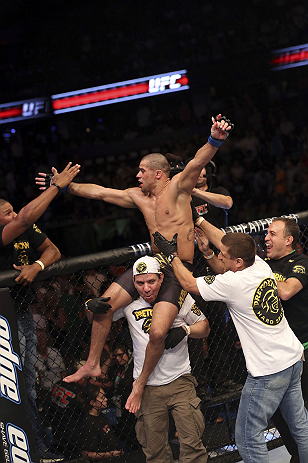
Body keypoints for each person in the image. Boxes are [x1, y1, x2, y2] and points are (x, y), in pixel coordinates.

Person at [44, 114, 234, 413]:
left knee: (158, 332)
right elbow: (102, 192)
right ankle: (92, 363)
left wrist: (215, 140)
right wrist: (66, 187)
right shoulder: (139, 196)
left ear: (159, 173)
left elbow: (197, 162)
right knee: (103, 304)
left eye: (142, 171)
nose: (137, 175)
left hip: (178, 266)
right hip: (154, 261)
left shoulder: (178, 188)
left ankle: (141, 382)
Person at [152, 220, 308, 463]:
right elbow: (225, 250)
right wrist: (207, 248)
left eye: (223, 256)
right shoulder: (260, 265)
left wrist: (172, 255)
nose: (220, 259)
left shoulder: (232, 283)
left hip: (268, 370)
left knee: (247, 436)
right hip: (292, 358)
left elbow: (188, 283)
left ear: (238, 262)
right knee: (300, 424)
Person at [0, 161, 80, 460]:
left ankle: (35, 448)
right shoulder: (12, 227)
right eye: (5, 213)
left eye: (12, 211)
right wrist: (56, 188)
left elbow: (53, 251)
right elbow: (22, 218)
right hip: (2, 319)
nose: (13, 215)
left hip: (22, 312)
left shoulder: (26, 226)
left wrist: (38, 265)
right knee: (14, 387)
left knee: (28, 386)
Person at [111, 256, 209, 462]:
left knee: (192, 446)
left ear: (161, 278)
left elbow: (205, 327)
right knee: (155, 454)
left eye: (151, 281)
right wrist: (90, 305)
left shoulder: (177, 297)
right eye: (140, 283)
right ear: (133, 282)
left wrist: (186, 330)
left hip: (180, 381)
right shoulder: (129, 303)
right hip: (147, 387)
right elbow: (100, 315)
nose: (146, 288)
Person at [265, 217, 308, 463]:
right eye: (266, 234)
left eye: (272, 234)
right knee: (280, 414)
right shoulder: (262, 265)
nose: (267, 238)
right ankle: (297, 455)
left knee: (304, 409)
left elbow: (287, 291)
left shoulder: (300, 262)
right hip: (277, 356)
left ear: (288, 240)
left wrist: (261, 272)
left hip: (303, 349)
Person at [80, 385, 125, 460]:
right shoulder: (88, 423)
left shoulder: (101, 415)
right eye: (102, 398)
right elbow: (85, 454)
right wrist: (109, 455)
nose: (106, 399)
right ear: (93, 403)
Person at [191, 160, 233, 229]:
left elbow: (228, 203)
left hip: (220, 238)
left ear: (207, 172)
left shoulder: (218, 191)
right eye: (194, 170)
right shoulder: (186, 198)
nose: (198, 173)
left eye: (201, 169)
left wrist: (196, 192)